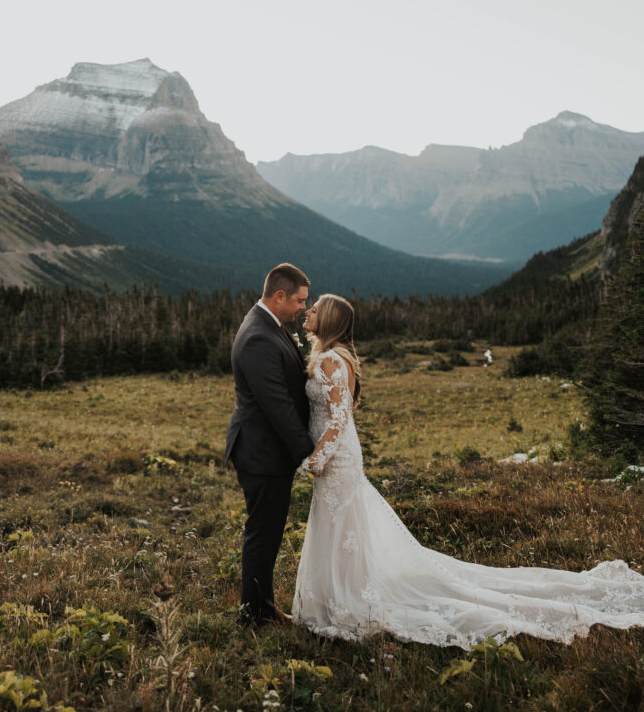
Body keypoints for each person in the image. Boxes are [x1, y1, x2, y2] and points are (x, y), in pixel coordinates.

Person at [292, 294, 644, 648]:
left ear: (330, 320)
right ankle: (340, 593)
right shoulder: (333, 357)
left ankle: (345, 599)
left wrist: (315, 459)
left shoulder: (331, 360)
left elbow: (339, 419)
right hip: (341, 455)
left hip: (337, 458)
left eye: (316, 309)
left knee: (340, 526)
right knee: (341, 527)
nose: (309, 311)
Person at [225, 262, 315, 626]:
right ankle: (254, 615)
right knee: (262, 534)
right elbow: (277, 405)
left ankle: (261, 606)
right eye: (299, 301)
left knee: (268, 532)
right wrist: (308, 454)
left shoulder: (269, 324)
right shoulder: (260, 336)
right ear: (279, 296)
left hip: (266, 451)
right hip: (261, 454)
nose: (303, 309)